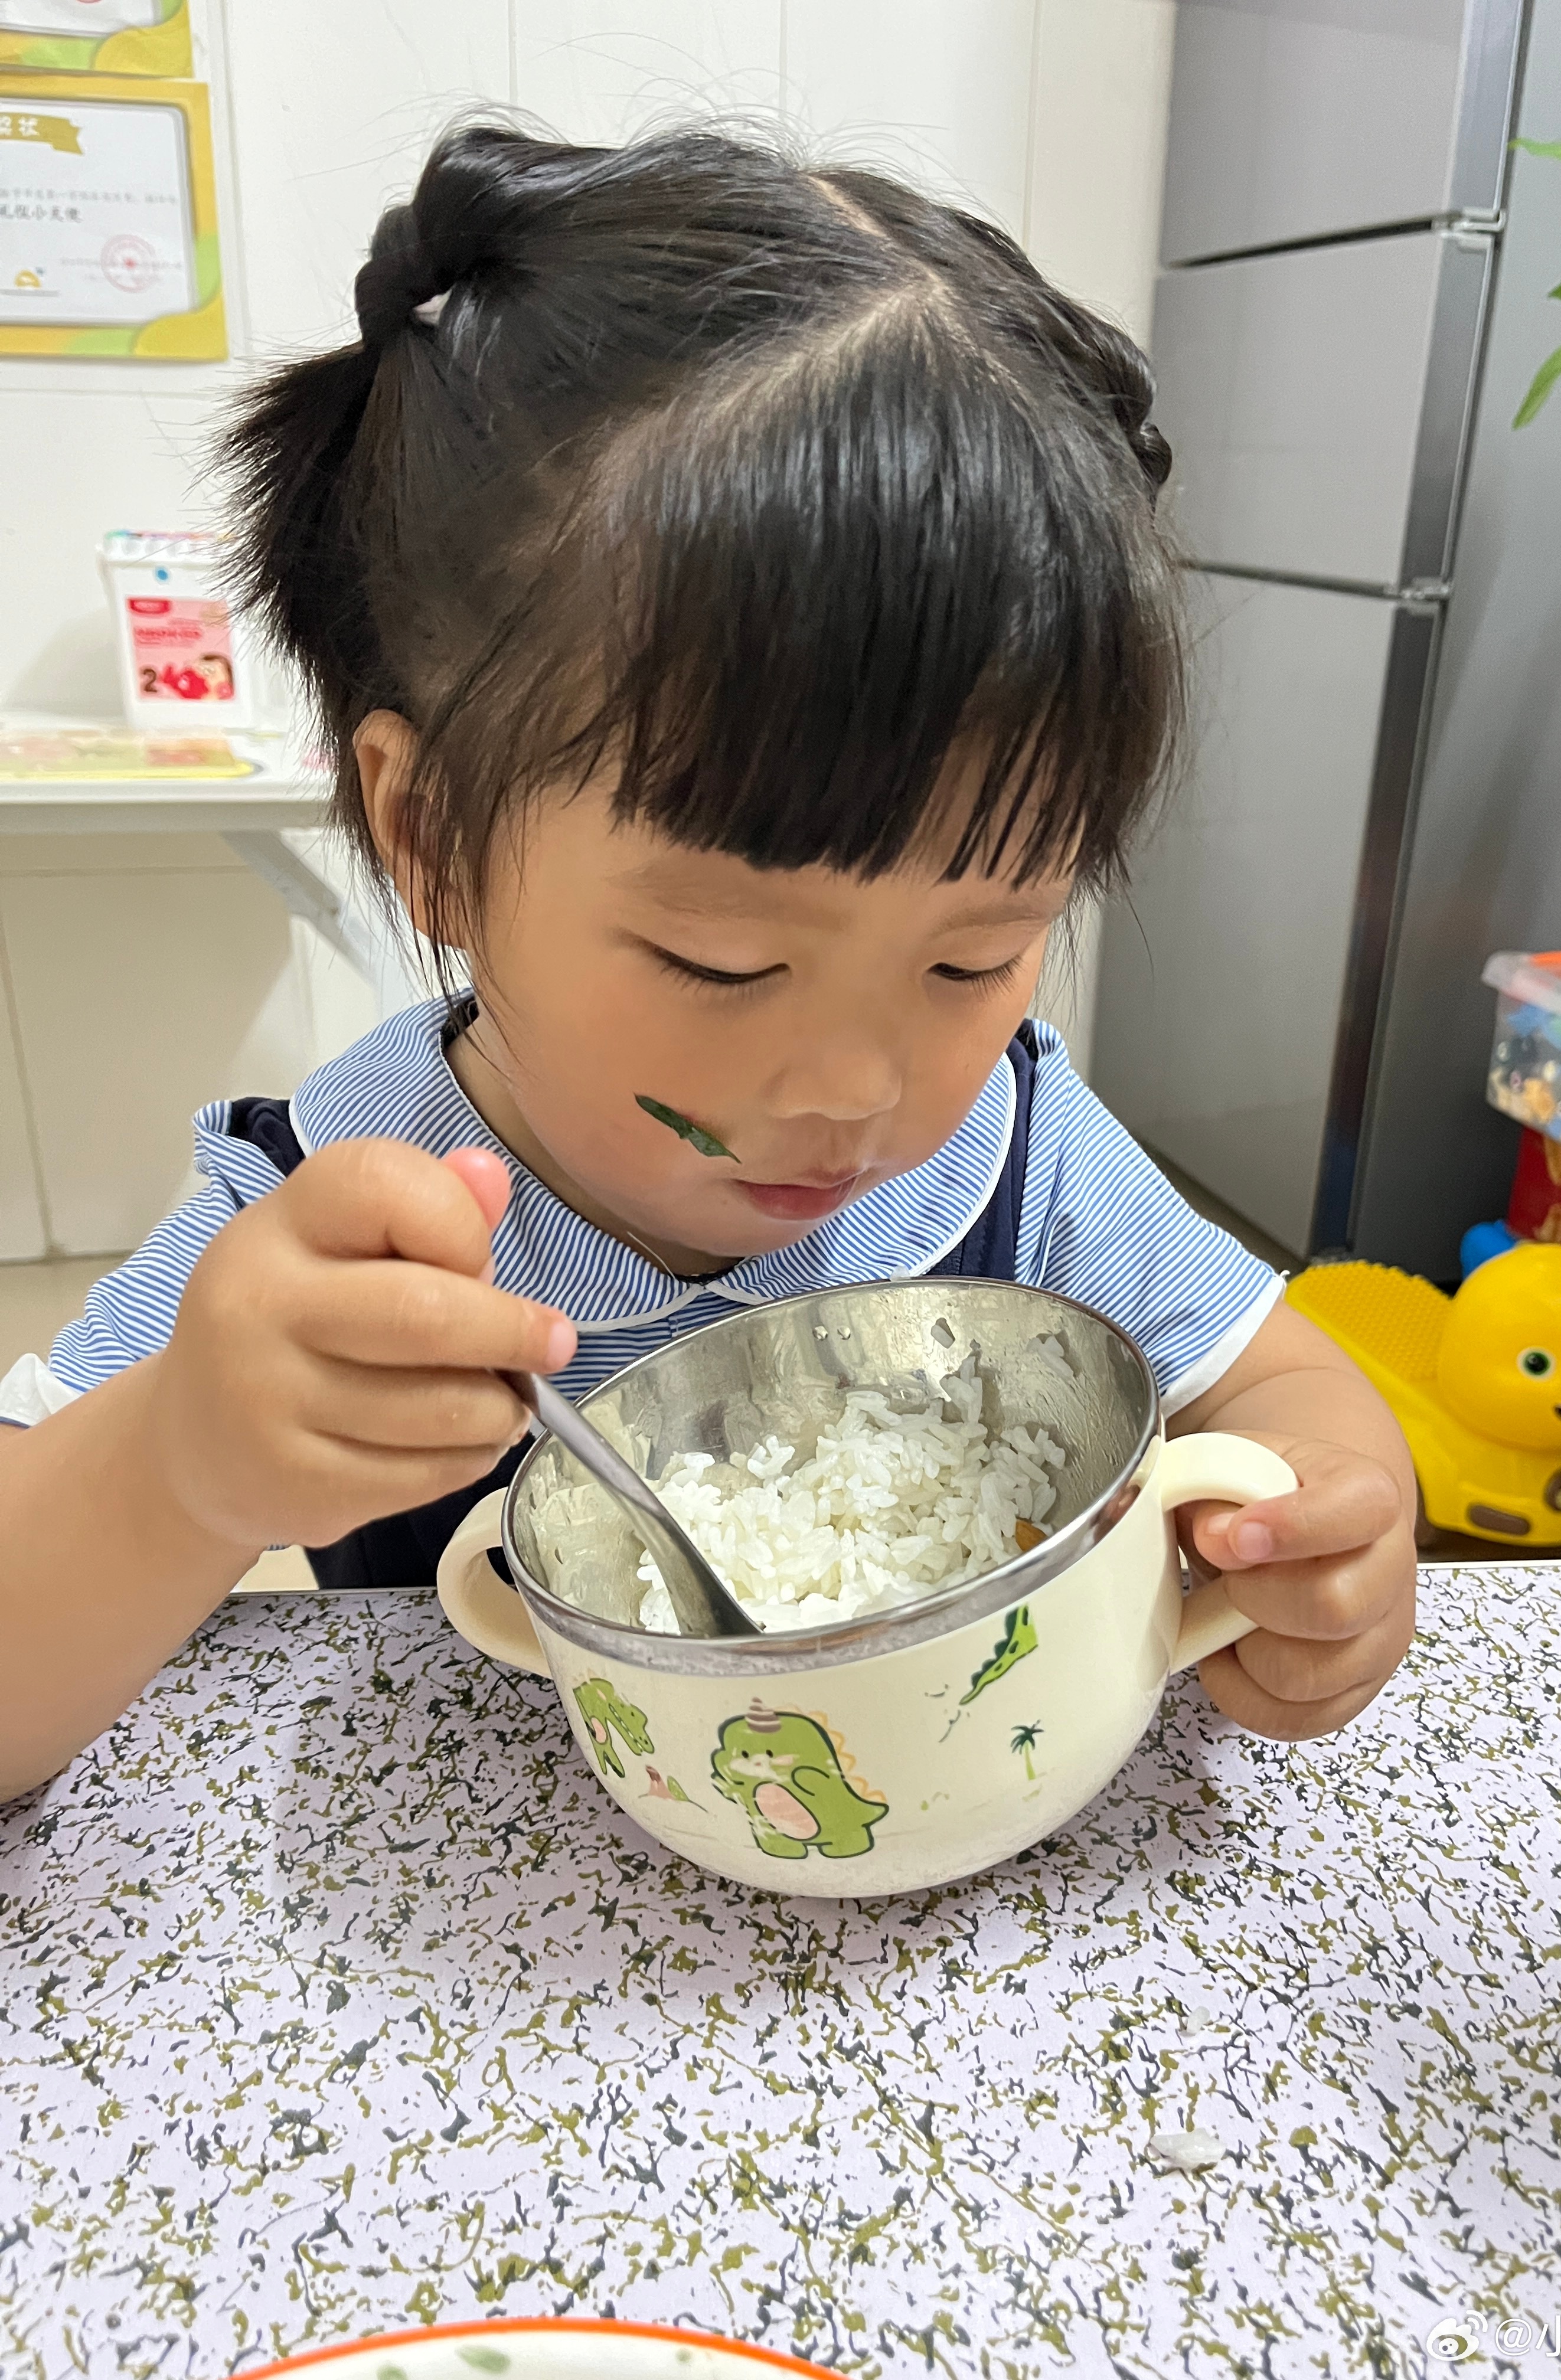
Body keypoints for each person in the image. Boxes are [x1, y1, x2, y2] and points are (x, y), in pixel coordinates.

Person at [0, 127, 1416, 1801]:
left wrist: (1323, 1528)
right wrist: (178, 1463)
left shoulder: (1015, 1152)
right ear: (430, 831)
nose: (860, 1094)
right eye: (725, 961)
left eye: (976, 959)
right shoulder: (332, 1221)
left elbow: (1289, 1387)